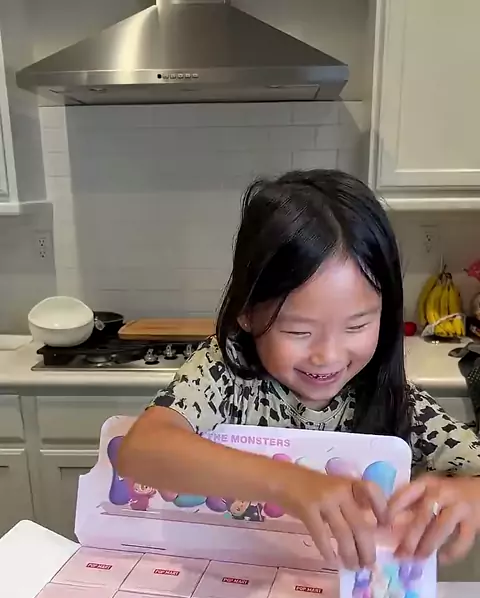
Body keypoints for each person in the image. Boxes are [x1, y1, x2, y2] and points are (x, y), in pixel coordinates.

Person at [118, 170, 480, 570]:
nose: (327, 356)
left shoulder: (398, 403)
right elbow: (140, 451)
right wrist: (289, 482)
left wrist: (471, 497)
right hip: (223, 584)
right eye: (299, 331)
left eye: (357, 326)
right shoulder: (226, 372)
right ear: (247, 313)